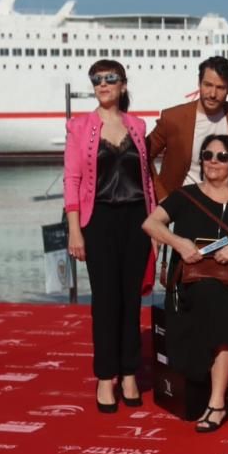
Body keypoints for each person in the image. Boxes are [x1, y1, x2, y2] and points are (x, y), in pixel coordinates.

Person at [142, 134, 228, 433]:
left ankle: (218, 404)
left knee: (216, 304)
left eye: (221, 156)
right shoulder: (185, 196)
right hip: (190, 287)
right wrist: (179, 243)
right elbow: (150, 223)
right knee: (208, 293)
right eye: (207, 155)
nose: (212, 161)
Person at [64, 59, 156, 414]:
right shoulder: (79, 125)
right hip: (97, 219)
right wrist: (75, 229)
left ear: (122, 84)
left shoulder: (137, 124)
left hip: (136, 219)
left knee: (132, 300)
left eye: (110, 79)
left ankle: (130, 372)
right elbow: (72, 180)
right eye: (97, 80)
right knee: (105, 301)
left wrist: (154, 224)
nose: (103, 84)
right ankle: (106, 376)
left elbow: (146, 178)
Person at [147, 56, 228, 201]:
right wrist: (162, 197)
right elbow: (143, 156)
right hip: (184, 207)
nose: (212, 94)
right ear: (199, 83)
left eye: (220, 87)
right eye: (208, 85)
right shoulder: (173, 118)